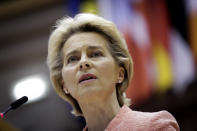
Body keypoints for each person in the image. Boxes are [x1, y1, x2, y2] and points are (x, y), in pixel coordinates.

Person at [47, 13, 180, 131]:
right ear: (64, 85)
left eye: (95, 54)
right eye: (73, 59)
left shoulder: (155, 126)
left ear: (120, 74)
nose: (83, 62)